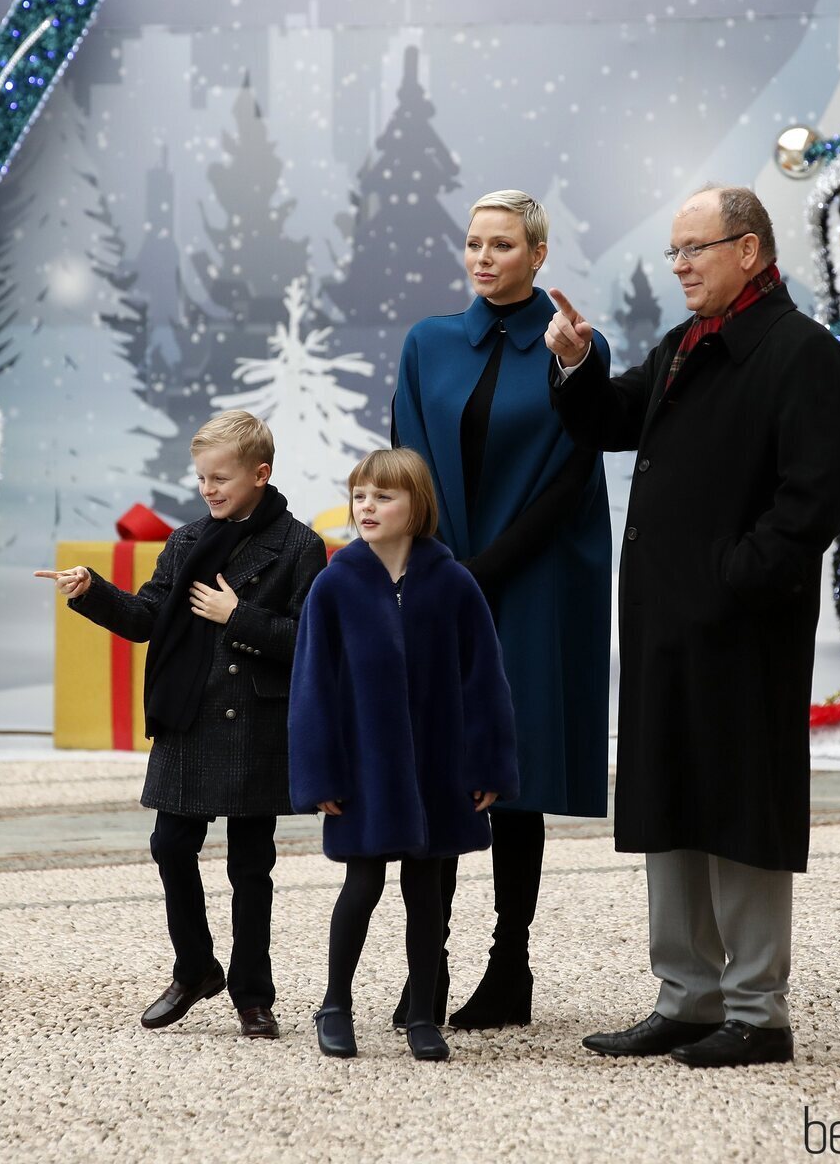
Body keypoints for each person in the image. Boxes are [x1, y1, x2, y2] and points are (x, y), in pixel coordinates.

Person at [545, 185, 840, 1067]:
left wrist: (733, 582)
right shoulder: (687, 345)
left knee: (740, 806)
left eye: (695, 249)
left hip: (741, 626)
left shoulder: (802, 354)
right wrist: (573, 364)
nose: (678, 265)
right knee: (670, 798)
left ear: (750, 251)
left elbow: (813, 502)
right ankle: (686, 997)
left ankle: (758, 1014)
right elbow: (607, 417)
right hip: (665, 625)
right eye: (674, 251)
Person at [392, 190, 612, 1029]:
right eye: (475, 243)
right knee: (440, 769)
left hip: (531, 583)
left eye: (504, 245)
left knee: (509, 776)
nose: (485, 258)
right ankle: (428, 968)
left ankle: (509, 965)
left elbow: (570, 478)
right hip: (447, 580)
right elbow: (407, 464)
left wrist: (486, 571)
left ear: (539, 255)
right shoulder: (428, 344)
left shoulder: (569, 347)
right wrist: (440, 570)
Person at [35, 410, 326, 1040]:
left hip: (254, 723)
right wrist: (90, 590)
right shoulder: (188, 539)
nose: (208, 489)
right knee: (170, 846)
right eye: (201, 479)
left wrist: (237, 615)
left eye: (220, 477)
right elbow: (146, 618)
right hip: (188, 719)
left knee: (251, 867)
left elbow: (312, 641)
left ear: (261, 473)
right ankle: (196, 968)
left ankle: (253, 994)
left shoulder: (301, 546)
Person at [288, 448, 519, 1062]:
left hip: (440, 771)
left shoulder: (453, 583)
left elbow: (485, 679)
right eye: (360, 494)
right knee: (360, 886)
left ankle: (423, 1014)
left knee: (426, 894)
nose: (367, 506)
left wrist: (489, 765)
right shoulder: (334, 585)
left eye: (383, 496)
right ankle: (334, 1004)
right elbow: (312, 685)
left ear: (417, 508)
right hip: (363, 772)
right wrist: (319, 775)